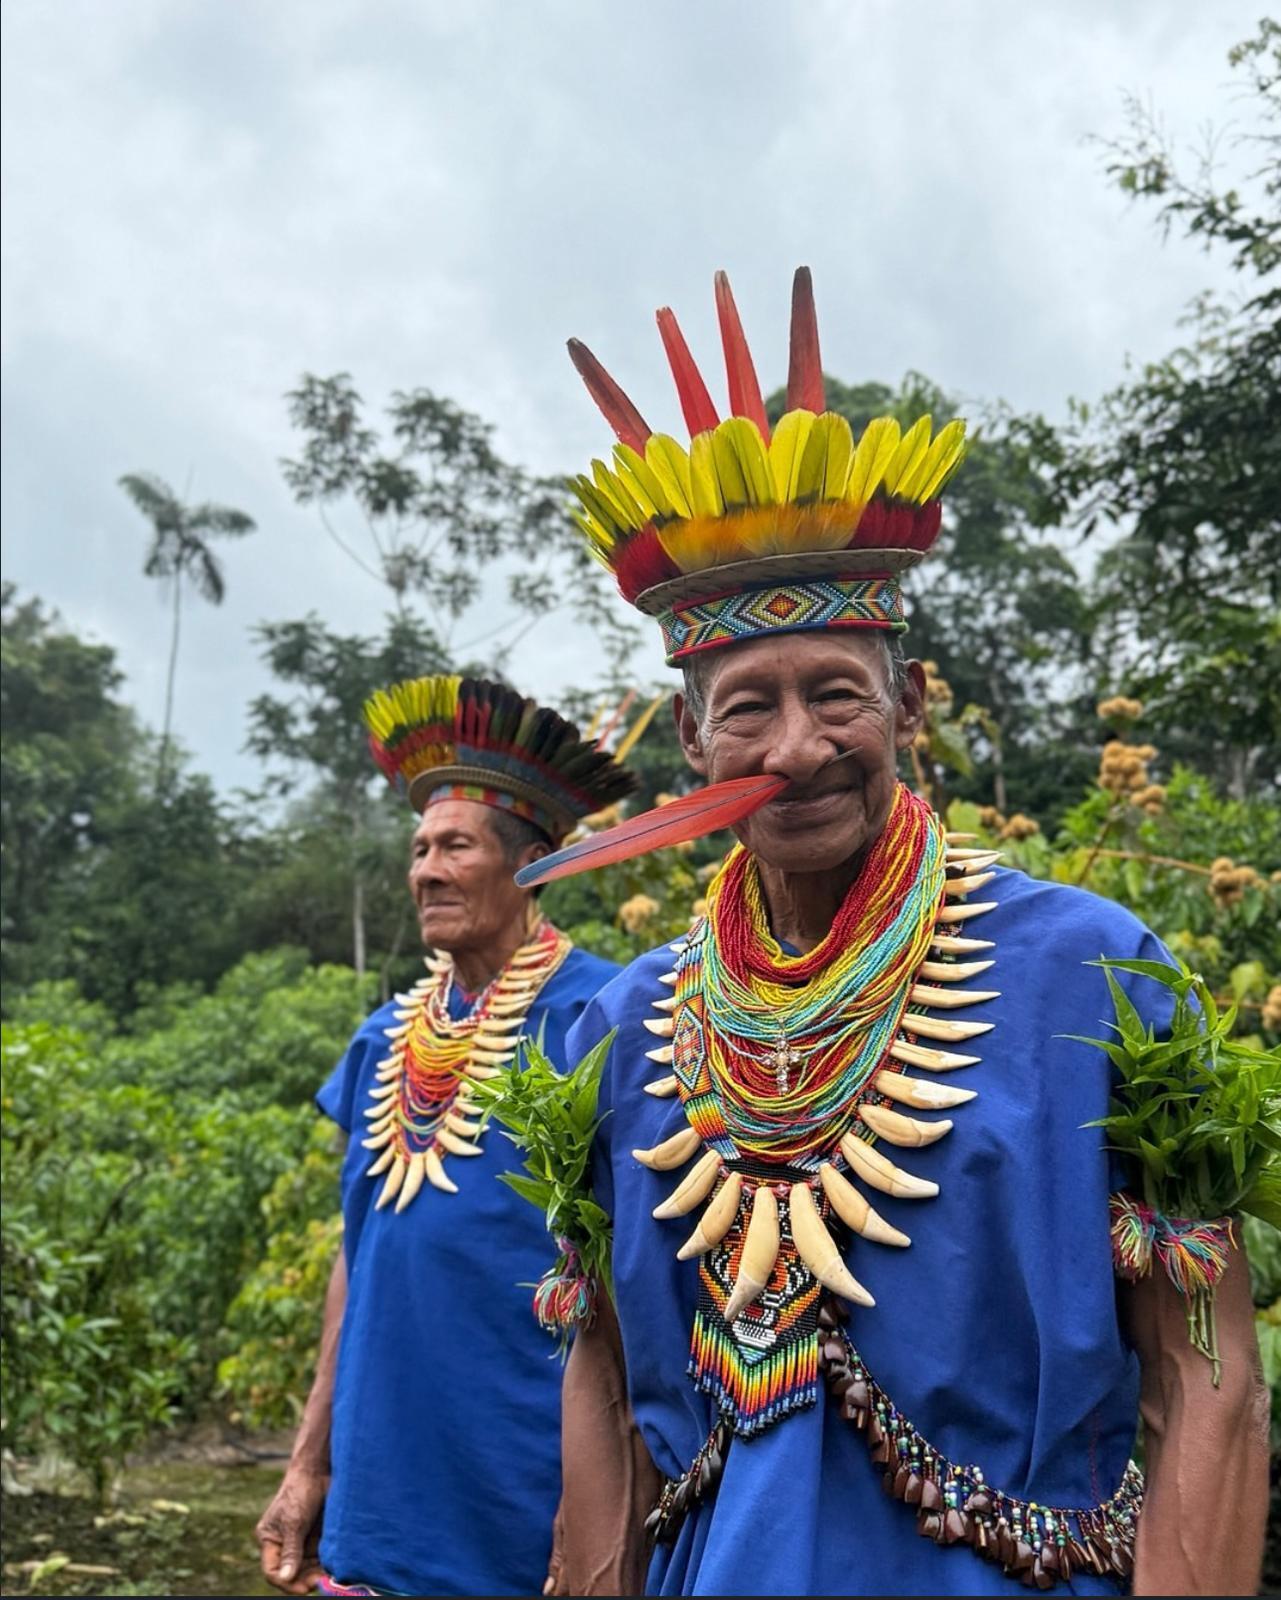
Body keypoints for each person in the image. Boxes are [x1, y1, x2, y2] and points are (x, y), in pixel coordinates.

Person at [540, 270, 1270, 1595]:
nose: (798, 747)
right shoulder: (621, 1025)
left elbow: (1202, 1371)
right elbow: (597, 1377)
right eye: (746, 710)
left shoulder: (1092, 975)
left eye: (837, 694)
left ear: (910, 702)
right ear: (693, 742)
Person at [254, 673, 636, 1597]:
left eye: (453, 846)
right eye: (419, 848)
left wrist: (598, 1502)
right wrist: (309, 1462)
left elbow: (633, 1284)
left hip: (522, 1487)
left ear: (531, 863)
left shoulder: (604, 1016)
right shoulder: (381, 1040)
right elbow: (360, 1254)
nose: (425, 869)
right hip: (379, 1493)